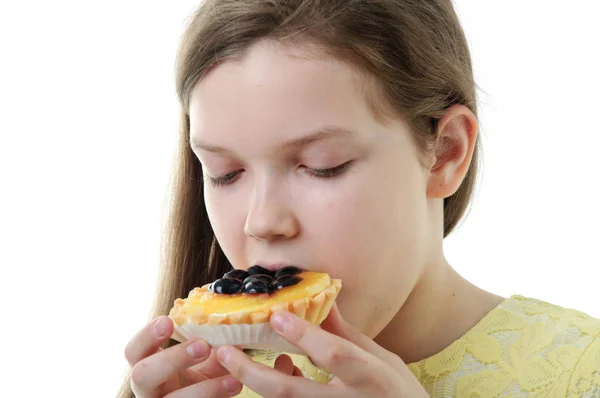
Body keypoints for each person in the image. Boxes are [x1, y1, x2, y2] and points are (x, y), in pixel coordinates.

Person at [119, 0, 600, 397]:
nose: (261, 222)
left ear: (446, 153)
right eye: (225, 174)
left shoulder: (582, 372)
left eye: (322, 165)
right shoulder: (204, 384)